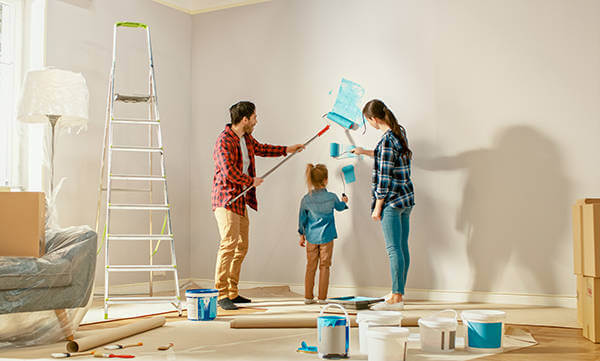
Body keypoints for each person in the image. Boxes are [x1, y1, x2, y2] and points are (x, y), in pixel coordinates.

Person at [212, 101, 304, 310]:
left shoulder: (246, 138)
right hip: (226, 200)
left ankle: (232, 292)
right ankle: (221, 294)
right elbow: (227, 171)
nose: (256, 121)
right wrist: (250, 180)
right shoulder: (223, 141)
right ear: (244, 119)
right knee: (229, 244)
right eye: (254, 117)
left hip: (241, 200)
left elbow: (261, 149)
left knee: (242, 246)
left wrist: (288, 150)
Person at [352, 99, 414, 310]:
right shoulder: (399, 133)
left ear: (373, 119)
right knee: (402, 247)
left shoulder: (387, 140)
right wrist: (364, 152)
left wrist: (378, 207)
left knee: (393, 249)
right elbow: (387, 157)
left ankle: (396, 295)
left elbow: (384, 178)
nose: (369, 124)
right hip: (406, 199)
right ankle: (399, 292)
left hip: (392, 202)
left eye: (368, 121)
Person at [298, 163, 348, 304]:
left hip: (311, 238)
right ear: (325, 179)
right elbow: (339, 207)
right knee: (324, 267)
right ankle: (322, 298)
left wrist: (301, 235)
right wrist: (344, 202)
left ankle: (308, 297)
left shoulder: (306, 199)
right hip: (327, 237)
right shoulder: (332, 197)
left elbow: (302, 218)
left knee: (310, 266)